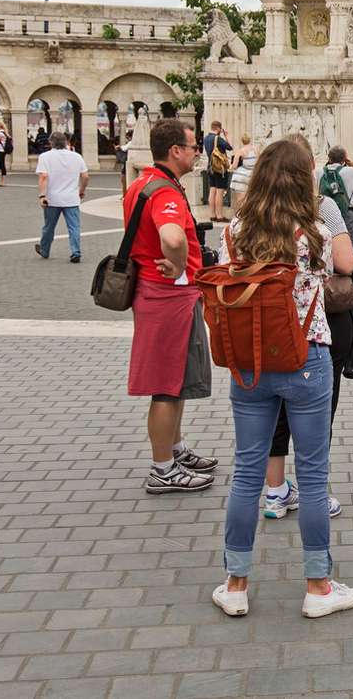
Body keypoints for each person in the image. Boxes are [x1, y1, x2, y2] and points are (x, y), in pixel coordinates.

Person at [212, 139, 353, 621]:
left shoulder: (235, 230)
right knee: (314, 474)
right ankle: (318, 587)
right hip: (307, 358)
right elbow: (349, 266)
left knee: (247, 472)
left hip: (251, 364)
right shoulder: (314, 230)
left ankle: (236, 583)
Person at [124, 119, 218, 494]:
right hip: (168, 297)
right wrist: (179, 262)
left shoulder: (141, 183)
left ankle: (174, 449)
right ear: (176, 151)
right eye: (194, 147)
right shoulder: (165, 193)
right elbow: (171, 235)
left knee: (176, 382)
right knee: (166, 385)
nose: (198, 152)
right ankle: (162, 468)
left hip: (157, 293)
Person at [34, 132, 90, 263]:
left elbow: (43, 177)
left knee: (49, 227)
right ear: (66, 142)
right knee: (74, 227)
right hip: (71, 198)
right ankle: (75, 252)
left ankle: (44, 250)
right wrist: (81, 191)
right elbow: (86, 176)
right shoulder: (76, 156)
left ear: (51, 142)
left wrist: (42, 196)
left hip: (52, 198)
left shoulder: (45, 157)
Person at [317, 146, 353, 247]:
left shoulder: (319, 172)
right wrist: (349, 162)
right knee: (350, 247)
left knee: (327, 246)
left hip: (325, 213)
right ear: (344, 158)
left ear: (329, 158)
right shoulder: (350, 172)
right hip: (347, 212)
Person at [203, 121, 235, 222]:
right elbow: (230, 147)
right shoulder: (218, 139)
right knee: (219, 192)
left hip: (210, 167)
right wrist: (227, 136)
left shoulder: (206, 138)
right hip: (219, 168)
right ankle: (219, 215)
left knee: (212, 190)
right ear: (219, 129)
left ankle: (212, 214)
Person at [228, 133, 258, 201]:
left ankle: (242, 211)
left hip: (242, 176)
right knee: (251, 198)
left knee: (241, 199)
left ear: (242, 141)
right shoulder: (255, 150)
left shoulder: (240, 151)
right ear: (250, 140)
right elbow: (258, 163)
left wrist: (230, 166)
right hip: (253, 175)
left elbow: (235, 166)